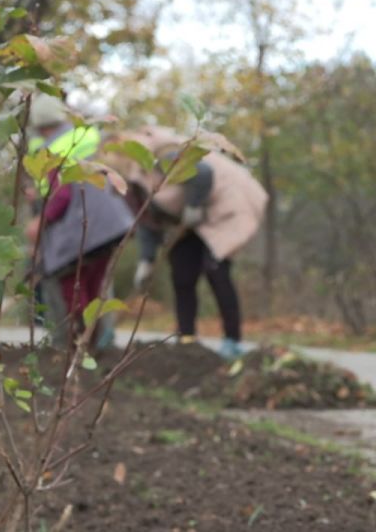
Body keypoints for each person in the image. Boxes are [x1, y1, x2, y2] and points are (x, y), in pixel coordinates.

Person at [118, 127, 267, 358]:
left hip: (225, 209)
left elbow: (202, 172)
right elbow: (147, 219)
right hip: (186, 222)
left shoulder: (159, 155)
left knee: (216, 271)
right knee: (182, 275)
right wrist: (146, 260)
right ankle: (187, 340)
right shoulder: (132, 182)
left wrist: (194, 206)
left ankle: (232, 340)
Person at [25, 95, 135, 346]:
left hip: (81, 229)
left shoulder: (51, 150)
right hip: (111, 225)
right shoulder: (85, 138)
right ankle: (97, 342)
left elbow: (62, 194)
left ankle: (79, 343)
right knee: (95, 286)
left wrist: (40, 221)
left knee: (70, 284)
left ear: (39, 126)